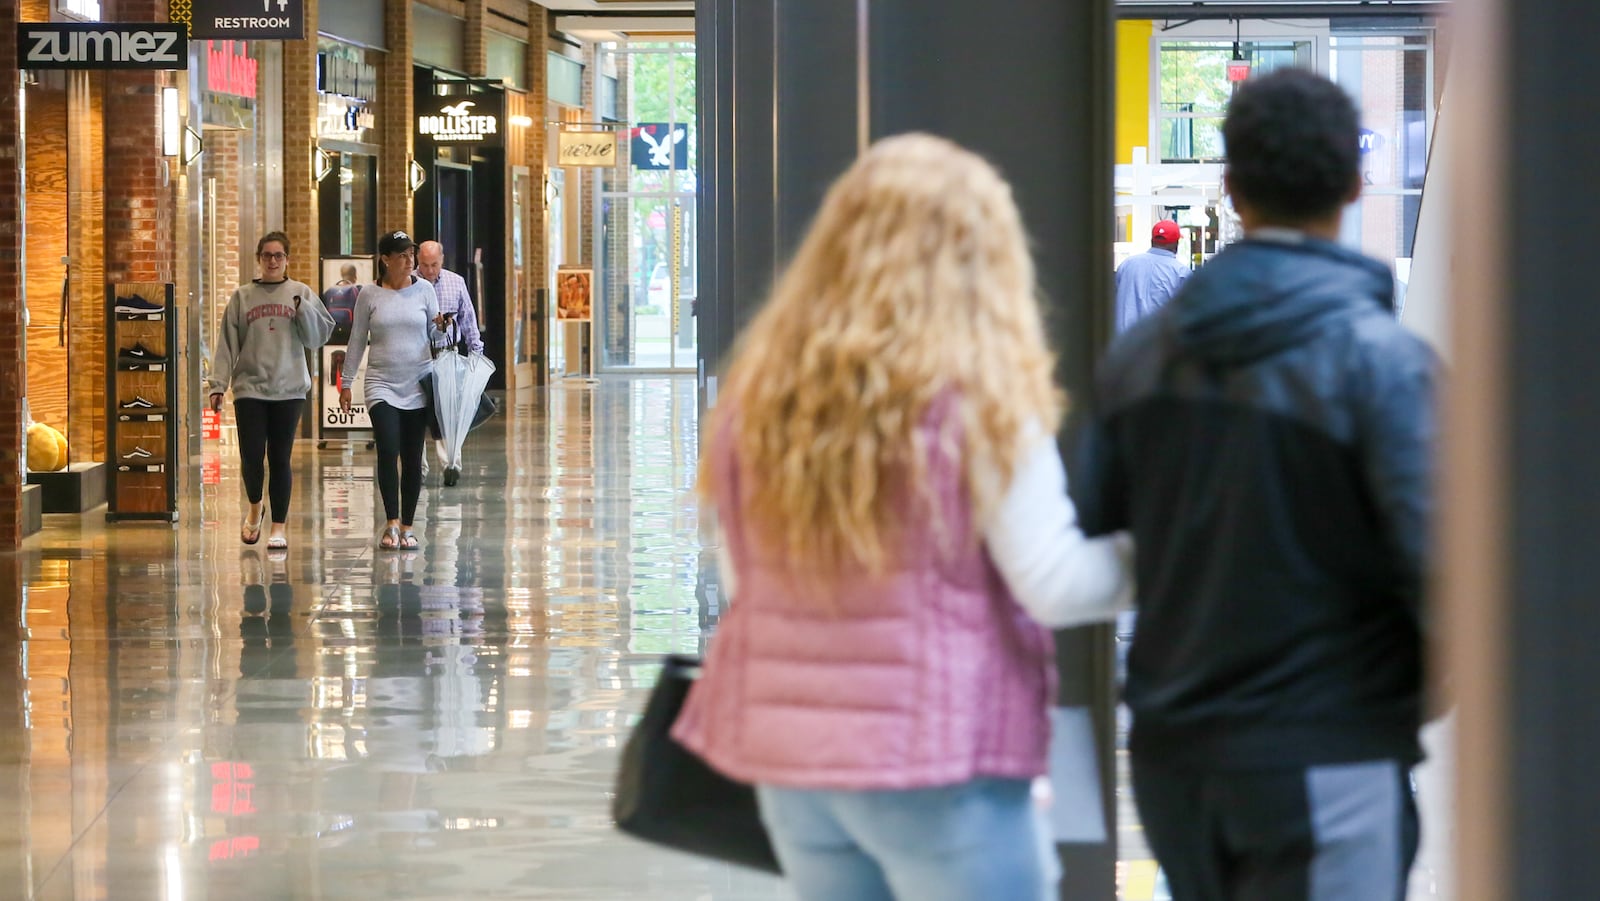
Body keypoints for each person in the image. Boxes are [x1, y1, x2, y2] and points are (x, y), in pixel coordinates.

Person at [671, 134, 1133, 901]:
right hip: (939, 757)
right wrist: (1168, 556)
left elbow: (740, 574)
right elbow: (1052, 584)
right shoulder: (981, 401)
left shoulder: (757, 401)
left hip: (795, 770)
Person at [1075, 68, 1438, 901]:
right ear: (1355, 181)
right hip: (1325, 752)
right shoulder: (1382, 367)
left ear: (1230, 188)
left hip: (1174, 757)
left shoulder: (1140, 360)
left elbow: (1091, 538)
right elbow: (1446, 573)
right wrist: (1398, 702)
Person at [206, 231, 336, 551]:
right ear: (259, 259)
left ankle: (278, 527)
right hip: (250, 388)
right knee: (252, 457)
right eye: (267, 255)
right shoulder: (243, 297)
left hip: (289, 390)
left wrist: (302, 309)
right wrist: (218, 385)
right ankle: (254, 509)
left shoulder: (300, 292)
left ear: (287, 259)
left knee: (279, 458)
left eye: (279, 255)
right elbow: (226, 344)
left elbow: (318, 337)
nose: (273, 261)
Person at [340, 230, 446, 551]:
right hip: (381, 383)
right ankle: (391, 523)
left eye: (411, 254)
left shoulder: (425, 290)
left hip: (418, 382)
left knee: (413, 457)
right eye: (401, 255)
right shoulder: (369, 295)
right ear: (385, 259)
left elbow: (434, 335)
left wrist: (440, 327)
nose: (409, 260)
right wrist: (346, 383)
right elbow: (357, 340)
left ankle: (409, 526)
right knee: (388, 448)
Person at [416, 240, 485, 486]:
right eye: (424, 265)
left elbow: (468, 319)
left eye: (434, 264)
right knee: (417, 412)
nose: (429, 270)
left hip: (447, 354)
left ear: (442, 260)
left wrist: (476, 351)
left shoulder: (456, 283)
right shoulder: (410, 283)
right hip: (418, 355)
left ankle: (451, 464)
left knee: (448, 410)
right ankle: (418, 468)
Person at [1114, 219, 1190, 334]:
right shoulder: (1181, 272)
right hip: (1158, 346)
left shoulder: (1127, 264)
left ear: (1152, 240)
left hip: (1123, 344)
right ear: (1176, 244)